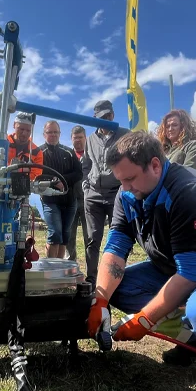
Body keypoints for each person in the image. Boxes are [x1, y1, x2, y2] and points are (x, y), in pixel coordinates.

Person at [86, 132, 196, 383]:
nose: (125, 188)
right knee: (116, 289)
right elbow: (116, 246)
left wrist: (145, 320)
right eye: (120, 180)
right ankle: (195, 338)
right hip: (174, 267)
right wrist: (101, 299)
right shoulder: (127, 194)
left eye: (130, 178)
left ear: (155, 165)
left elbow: (191, 273)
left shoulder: (189, 191)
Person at [82, 100, 130, 285]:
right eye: (102, 117)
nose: (106, 120)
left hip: (116, 194)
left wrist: (124, 186)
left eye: (108, 116)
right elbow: (86, 164)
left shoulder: (125, 135)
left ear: (113, 115)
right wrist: (86, 186)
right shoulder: (90, 139)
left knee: (117, 239)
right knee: (92, 239)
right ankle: (92, 279)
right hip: (92, 195)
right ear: (95, 118)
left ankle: (115, 279)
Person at [38, 121, 82, 259]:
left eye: (55, 132)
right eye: (50, 132)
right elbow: (36, 175)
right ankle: (50, 268)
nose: (53, 135)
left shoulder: (68, 152)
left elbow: (79, 173)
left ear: (60, 134)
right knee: (55, 232)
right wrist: (53, 182)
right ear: (44, 134)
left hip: (69, 200)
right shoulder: (39, 153)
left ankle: (58, 268)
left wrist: (63, 181)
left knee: (64, 234)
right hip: (50, 200)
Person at [66, 126, 89, 261]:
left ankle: (92, 272)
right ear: (71, 139)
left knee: (89, 237)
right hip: (71, 200)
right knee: (69, 236)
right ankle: (71, 266)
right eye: (75, 138)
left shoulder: (91, 155)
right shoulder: (67, 155)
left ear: (85, 138)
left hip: (88, 201)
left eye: (81, 137)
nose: (78, 140)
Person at [8, 112, 42, 181]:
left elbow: (36, 176)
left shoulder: (37, 152)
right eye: (21, 129)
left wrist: (13, 170)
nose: (24, 134)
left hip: (22, 188)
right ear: (14, 125)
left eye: (28, 130)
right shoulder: (2, 142)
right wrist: (25, 170)